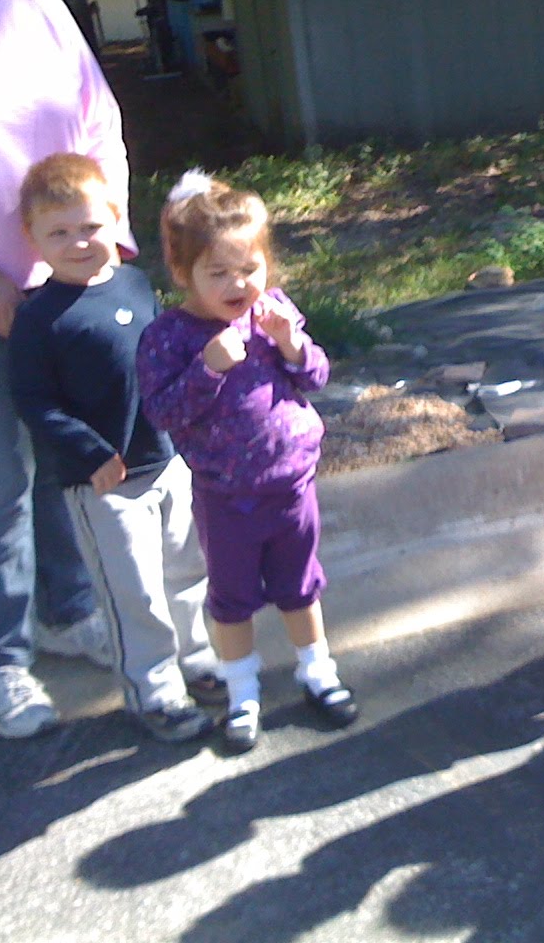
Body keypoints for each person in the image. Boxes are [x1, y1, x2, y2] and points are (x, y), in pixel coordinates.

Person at [138, 171, 359, 754]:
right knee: (232, 597)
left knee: (300, 586)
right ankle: (243, 693)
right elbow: (162, 412)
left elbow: (316, 376)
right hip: (225, 493)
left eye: (250, 269)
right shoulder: (169, 337)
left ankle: (317, 670)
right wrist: (207, 368)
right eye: (219, 273)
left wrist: (292, 343)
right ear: (184, 274)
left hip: (293, 483)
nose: (239, 284)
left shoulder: (273, 311)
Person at [7, 155, 220, 743]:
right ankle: (153, 691)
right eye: (59, 233)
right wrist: (92, 452)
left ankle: (199, 662)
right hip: (103, 486)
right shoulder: (38, 320)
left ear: (116, 218)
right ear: (33, 239)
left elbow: (165, 364)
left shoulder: (132, 282)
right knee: (135, 595)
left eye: (90, 227)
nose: (78, 243)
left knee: (185, 572)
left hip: (167, 463)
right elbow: (36, 402)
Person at [0, 0, 117, 739]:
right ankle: (1, 662)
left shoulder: (36, 7)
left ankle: (67, 613)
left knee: (64, 458)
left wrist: (104, 246)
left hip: (60, 285)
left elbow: (96, 125)